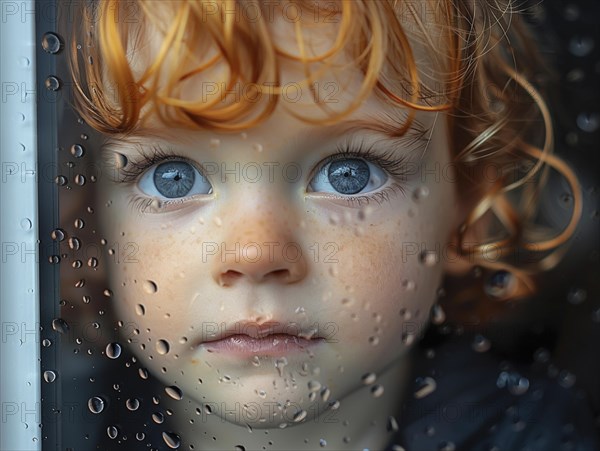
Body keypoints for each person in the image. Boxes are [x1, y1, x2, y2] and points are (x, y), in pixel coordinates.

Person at [63, 0, 598, 449]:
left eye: (349, 176)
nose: (256, 254)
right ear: (88, 222)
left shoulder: (538, 434)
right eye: (172, 177)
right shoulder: (58, 423)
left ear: (467, 208)